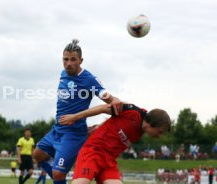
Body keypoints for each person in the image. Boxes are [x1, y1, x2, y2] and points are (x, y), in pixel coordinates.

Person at [33, 39, 121, 184]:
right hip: (57, 129)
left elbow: (110, 100)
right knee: (38, 155)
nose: (68, 63)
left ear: (81, 60)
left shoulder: (88, 80)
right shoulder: (64, 73)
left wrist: (115, 100)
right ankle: (59, 177)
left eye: (73, 59)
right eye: (65, 59)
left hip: (73, 134)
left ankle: (60, 176)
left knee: (58, 173)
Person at [59, 103, 171, 184]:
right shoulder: (132, 112)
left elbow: (116, 122)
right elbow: (103, 108)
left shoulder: (141, 131)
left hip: (109, 161)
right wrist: (74, 117)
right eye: (160, 132)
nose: (159, 136)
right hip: (93, 151)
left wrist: (101, 125)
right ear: (152, 124)